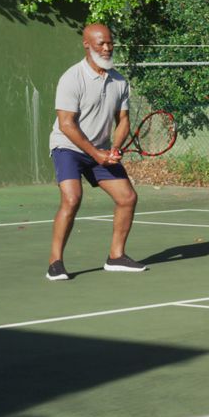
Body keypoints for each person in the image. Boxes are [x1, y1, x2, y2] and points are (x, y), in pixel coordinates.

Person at [46, 23, 146, 281]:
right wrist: (96, 153)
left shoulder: (119, 81)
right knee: (72, 198)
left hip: (100, 149)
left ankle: (116, 256)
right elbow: (67, 124)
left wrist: (115, 147)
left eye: (110, 42)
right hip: (68, 146)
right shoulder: (72, 78)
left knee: (127, 198)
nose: (107, 47)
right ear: (87, 45)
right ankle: (55, 263)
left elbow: (122, 119)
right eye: (101, 43)